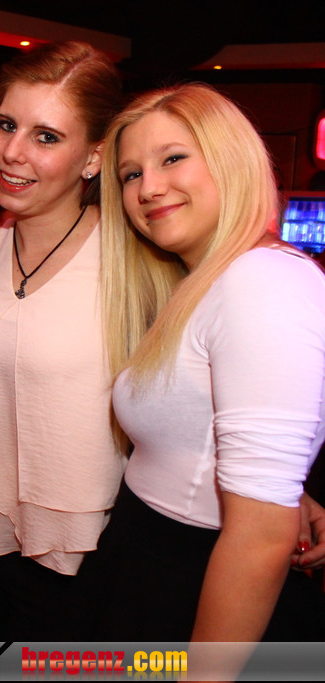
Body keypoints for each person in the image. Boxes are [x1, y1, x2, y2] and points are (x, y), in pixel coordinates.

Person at [87, 83, 325, 652]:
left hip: (195, 576)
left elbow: (261, 537)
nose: (149, 187)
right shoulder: (207, 280)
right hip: (153, 559)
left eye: (172, 159)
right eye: (131, 174)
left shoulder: (263, 281)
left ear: (230, 160)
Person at [0, 41, 124, 642]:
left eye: (46, 136)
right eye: (7, 125)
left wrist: (281, 493)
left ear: (93, 157)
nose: (12, 152)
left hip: (75, 562)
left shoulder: (130, 266)